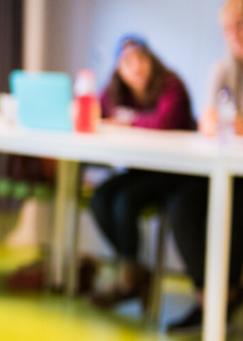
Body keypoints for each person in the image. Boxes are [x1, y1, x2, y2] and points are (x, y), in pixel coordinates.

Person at [166, 0, 243, 332]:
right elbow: (208, 121)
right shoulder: (224, 68)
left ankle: (225, 297)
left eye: (240, 26)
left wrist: (242, 125)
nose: (233, 36)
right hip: (230, 170)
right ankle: (208, 297)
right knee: (182, 202)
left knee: (234, 207)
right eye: (227, 29)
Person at [85, 35, 197, 308]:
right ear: (118, 69)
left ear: (151, 60)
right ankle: (135, 273)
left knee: (124, 202)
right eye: (127, 63)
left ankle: (129, 280)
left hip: (175, 172)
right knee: (100, 199)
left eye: (140, 59)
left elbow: (164, 121)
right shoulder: (116, 91)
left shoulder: (171, 84)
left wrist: (128, 120)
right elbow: (96, 112)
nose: (135, 67)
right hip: (139, 169)